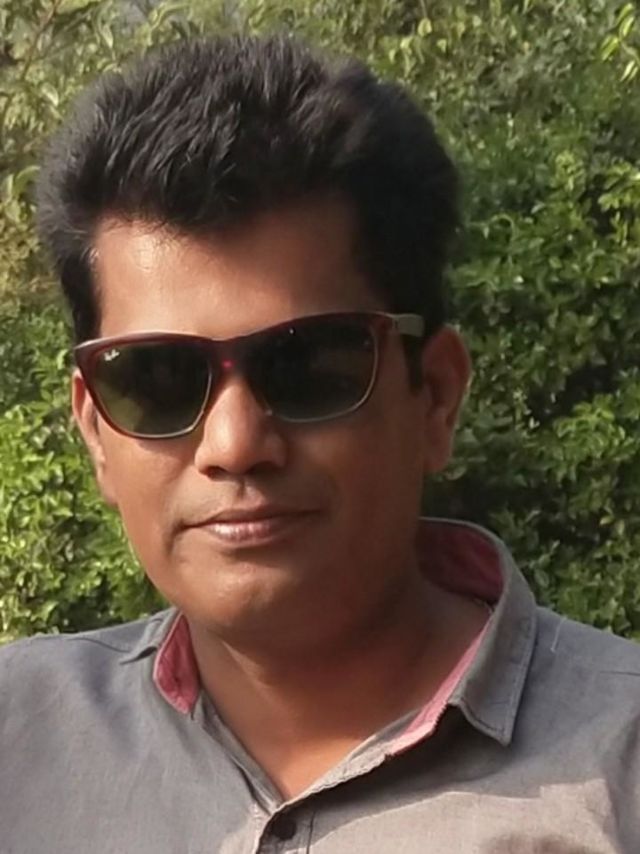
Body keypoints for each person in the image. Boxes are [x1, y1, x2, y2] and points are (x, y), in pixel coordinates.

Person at [1, 33, 639, 853]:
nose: (235, 443)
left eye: (308, 367)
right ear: (94, 431)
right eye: (157, 380)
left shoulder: (618, 770)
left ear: (435, 396)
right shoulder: (22, 745)